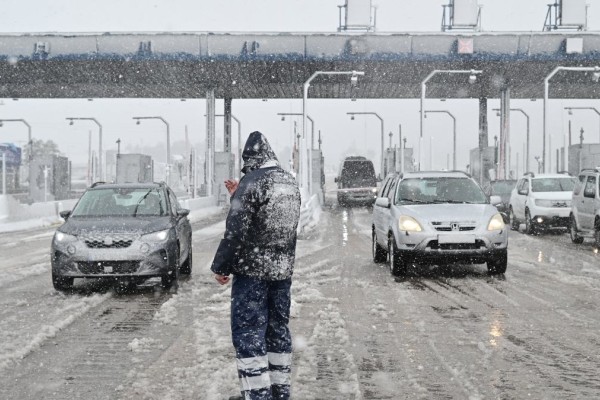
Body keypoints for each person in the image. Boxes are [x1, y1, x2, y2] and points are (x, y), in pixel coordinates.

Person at [211, 131, 301, 400]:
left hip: (252, 272)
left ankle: (257, 394)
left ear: (251, 159)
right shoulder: (288, 182)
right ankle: (279, 391)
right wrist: (238, 195)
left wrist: (222, 266)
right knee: (277, 332)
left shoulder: (252, 183)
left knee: (249, 333)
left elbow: (236, 231)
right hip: (281, 272)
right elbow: (272, 221)